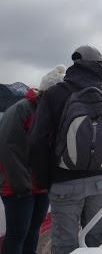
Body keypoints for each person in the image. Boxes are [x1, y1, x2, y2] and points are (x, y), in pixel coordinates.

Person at [28, 46, 102, 253]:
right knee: (97, 240)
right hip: (99, 180)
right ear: (96, 65)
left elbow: (36, 141)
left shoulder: (53, 94)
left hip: (63, 181)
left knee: (65, 243)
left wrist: (44, 179)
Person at [0, 65, 65, 254]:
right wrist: (22, 186)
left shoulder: (51, 111)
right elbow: (7, 150)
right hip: (17, 187)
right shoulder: (21, 110)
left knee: (34, 229)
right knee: (17, 233)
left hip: (41, 185)